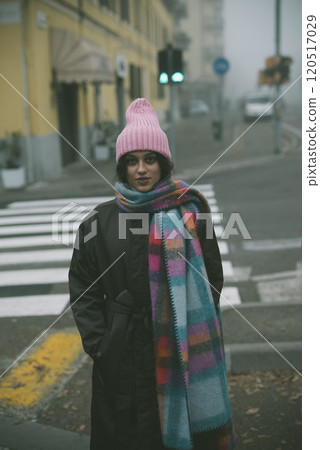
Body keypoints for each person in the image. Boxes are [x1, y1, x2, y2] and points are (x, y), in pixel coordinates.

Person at [69, 98, 236, 450]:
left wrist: (185, 324)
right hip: (120, 355)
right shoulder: (98, 222)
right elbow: (83, 286)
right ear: (121, 167)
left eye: (149, 160)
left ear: (163, 163)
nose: (141, 170)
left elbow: (211, 279)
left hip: (178, 349)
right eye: (131, 161)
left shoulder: (191, 214)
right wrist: (101, 343)